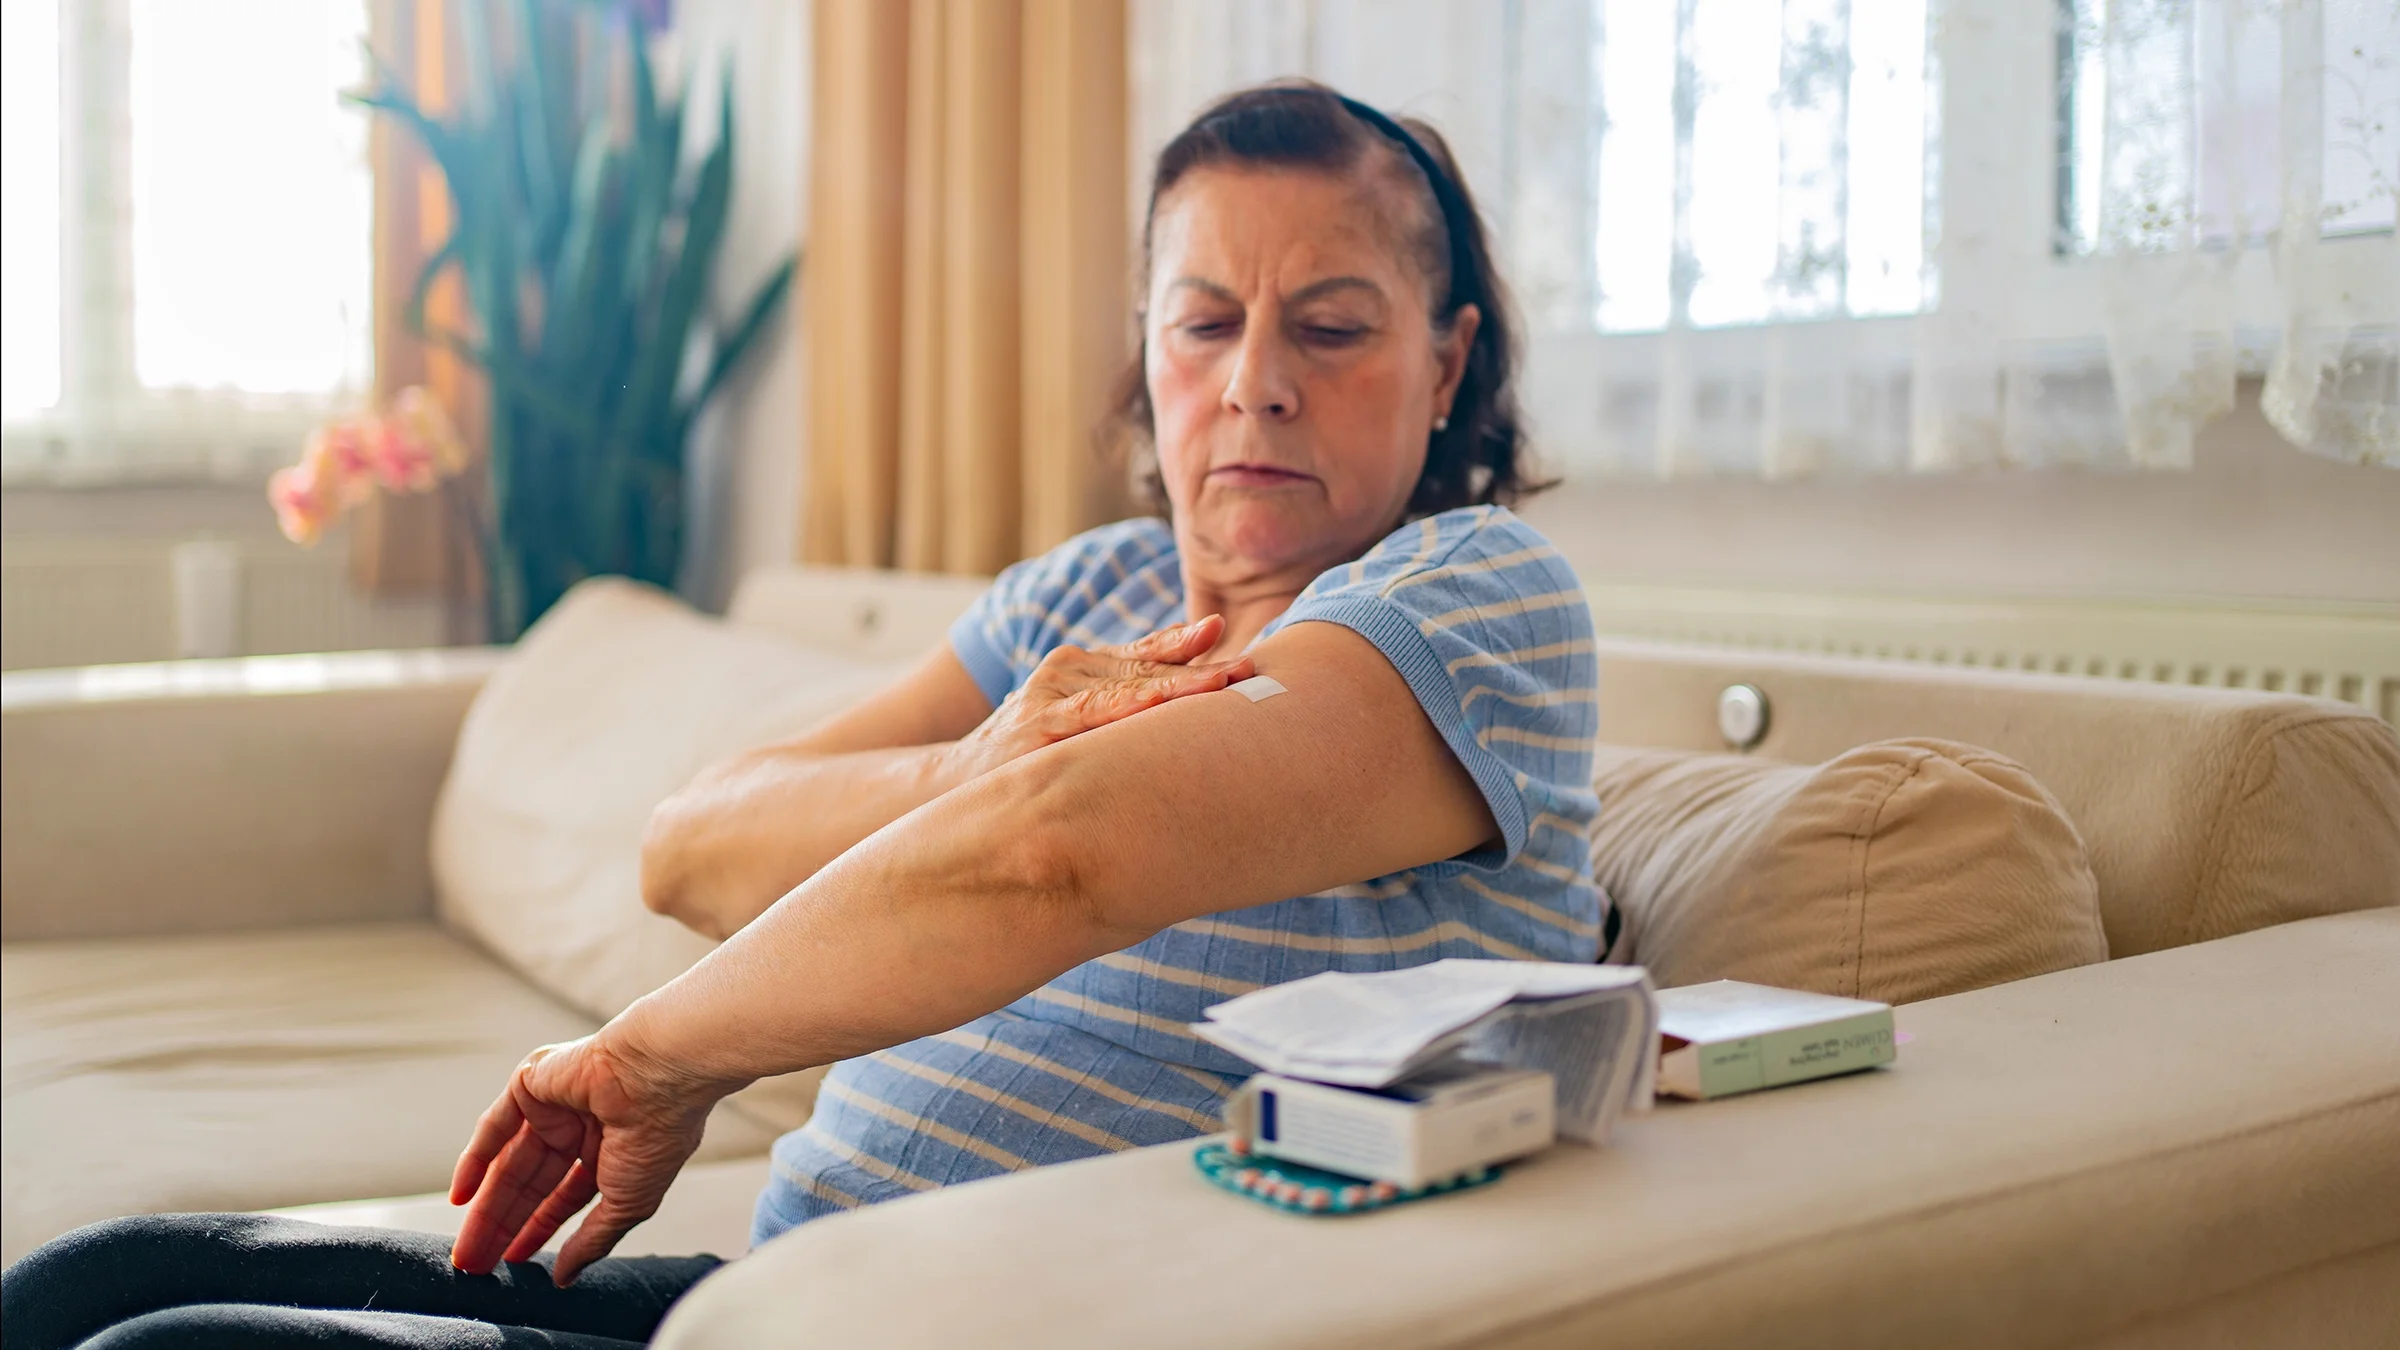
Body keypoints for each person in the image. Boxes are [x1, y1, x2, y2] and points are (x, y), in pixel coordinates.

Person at [1, 81, 1609, 1349]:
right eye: (1203, 321)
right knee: (92, 1279)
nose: (1257, 380)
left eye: (1331, 326)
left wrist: (655, 1057)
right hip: (776, 1282)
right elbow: (689, 841)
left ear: (1451, 357)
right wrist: (979, 756)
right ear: (1146, 347)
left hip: (971, 1323)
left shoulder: (1474, 595)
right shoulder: (1075, 597)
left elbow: (1058, 851)